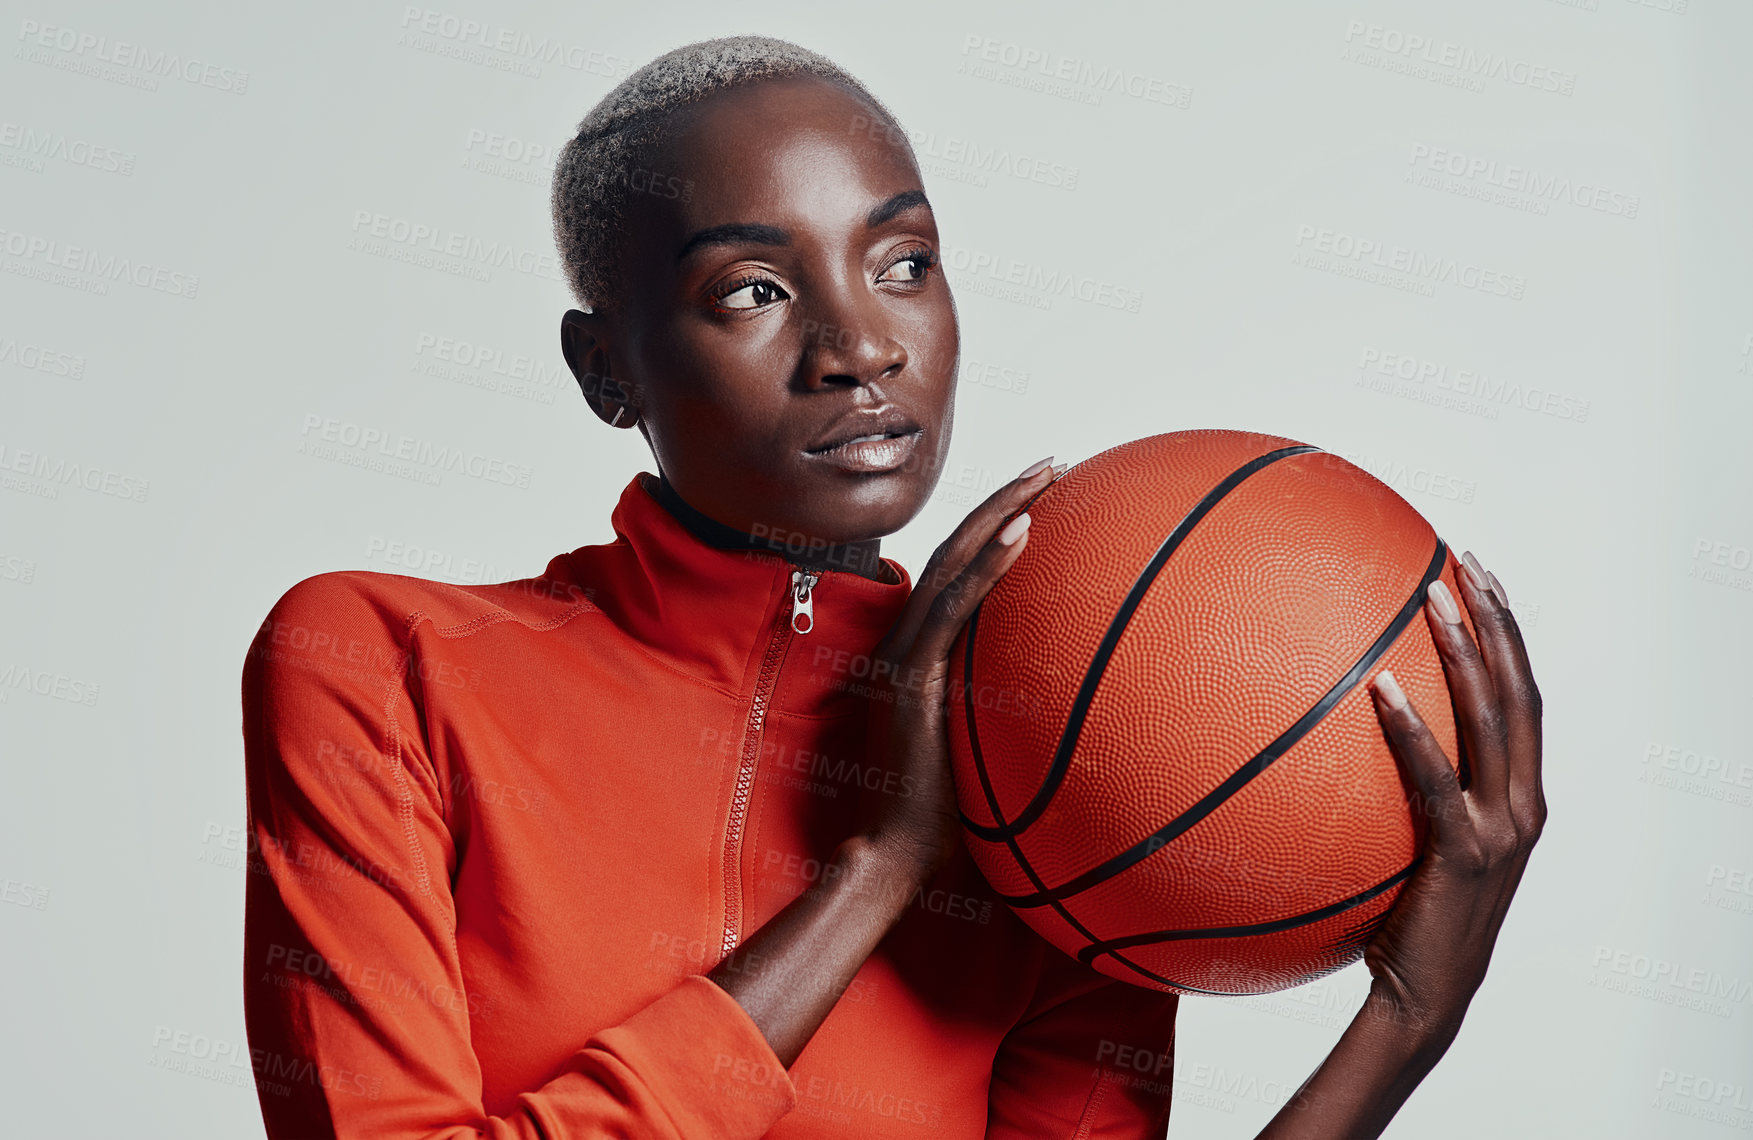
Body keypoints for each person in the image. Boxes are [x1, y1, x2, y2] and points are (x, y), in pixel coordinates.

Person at [240, 35, 1545, 1140]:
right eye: (751, 288)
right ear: (605, 370)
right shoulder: (386, 661)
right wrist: (878, 871)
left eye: (902, 262)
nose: (860, 344)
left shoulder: (1056, 758)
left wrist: (1406, 1021)